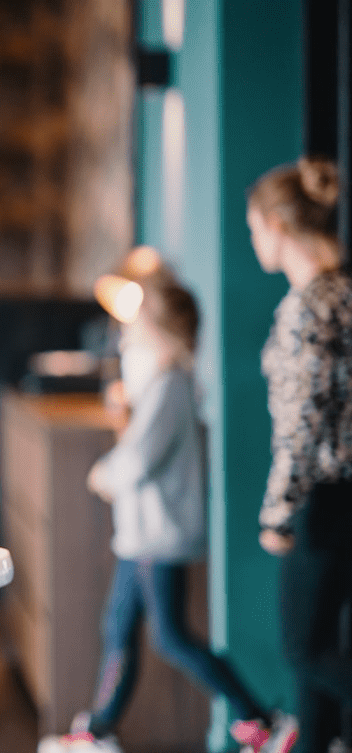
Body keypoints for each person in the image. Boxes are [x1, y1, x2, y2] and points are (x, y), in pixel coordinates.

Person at [38, 276, 296, 753]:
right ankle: (98, 729)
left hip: (157, 537)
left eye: (138, 320)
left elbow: (140, 458)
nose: (129, 329)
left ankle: (257, 719)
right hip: (142, 536)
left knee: (171, 638)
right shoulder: (162, 381)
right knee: (119, 627)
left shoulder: (171, 385)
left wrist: (105, 474)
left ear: (158, 328)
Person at [247, 156, 352, 753]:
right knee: (318, 651)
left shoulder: (306, 308)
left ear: (277, 226)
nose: (254, 241)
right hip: (344, 496)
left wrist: (278, 514)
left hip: (321, 501)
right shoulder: (345, 295)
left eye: (253, 228)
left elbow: (301, 427)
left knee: (304, 649)